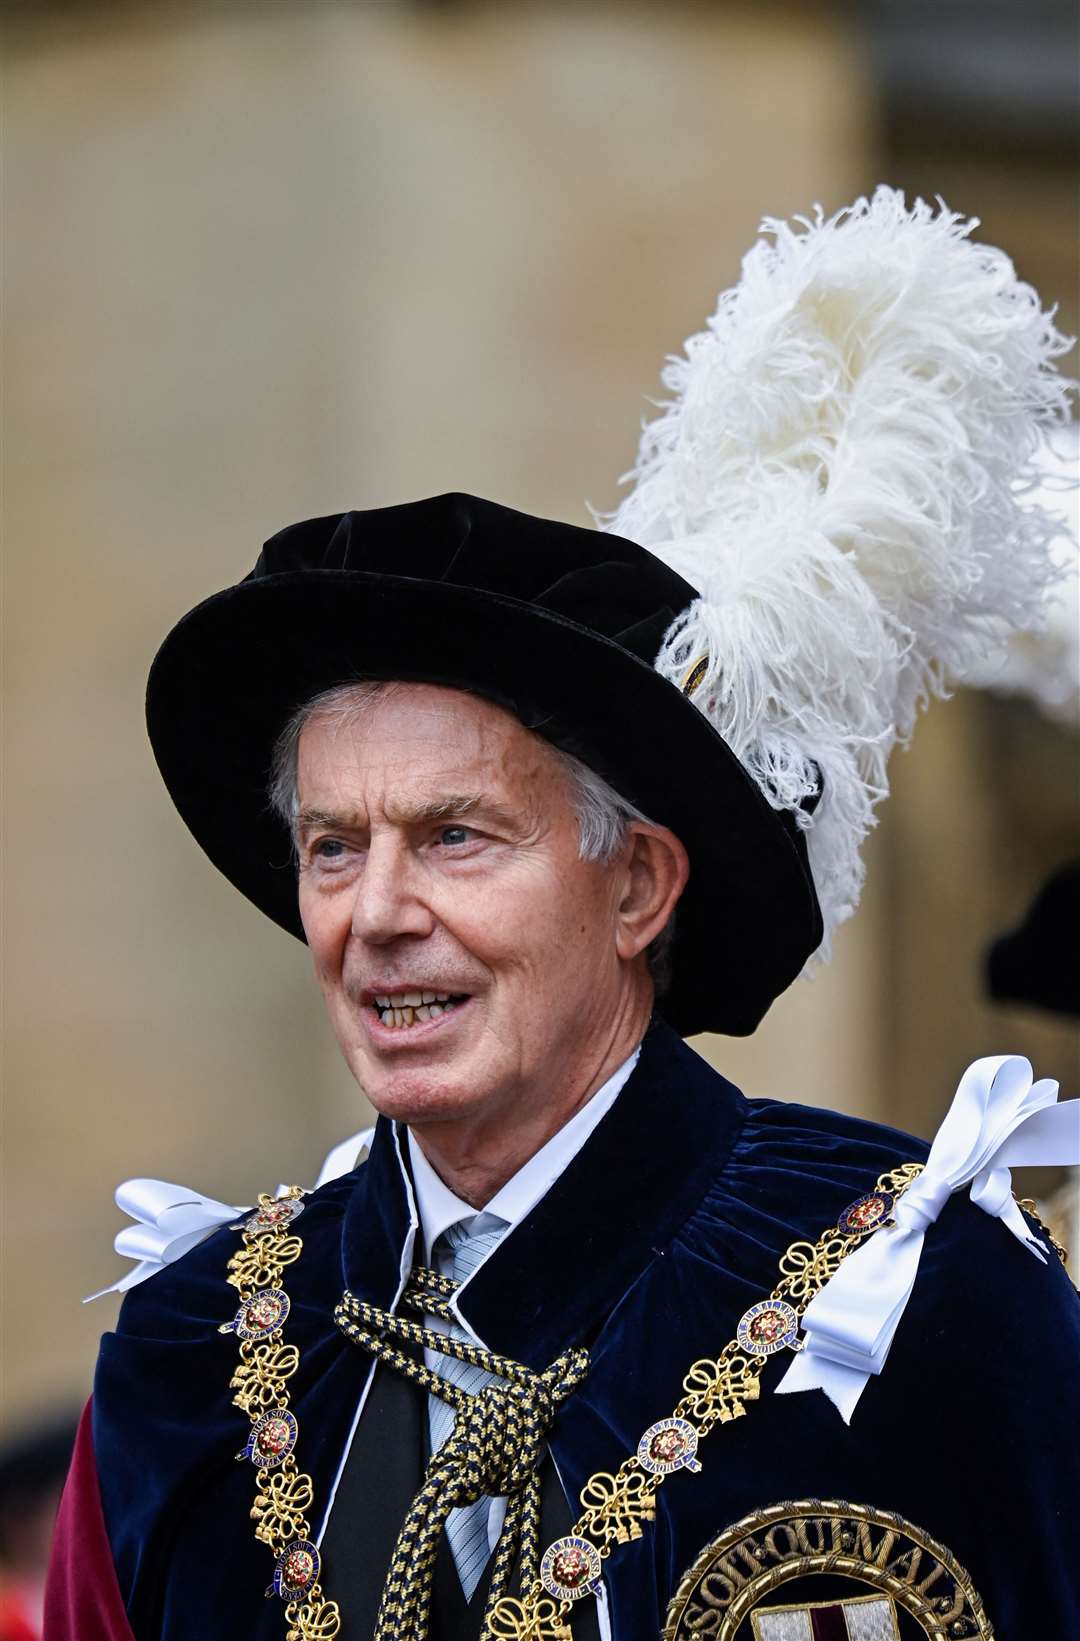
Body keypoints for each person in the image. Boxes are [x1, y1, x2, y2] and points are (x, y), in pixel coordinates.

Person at [45, 191, 1079, 1641]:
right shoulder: (190, 1352)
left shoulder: (930, 1302)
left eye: (456, 837)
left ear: (638, 886)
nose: (378, 914)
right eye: (333, 846)